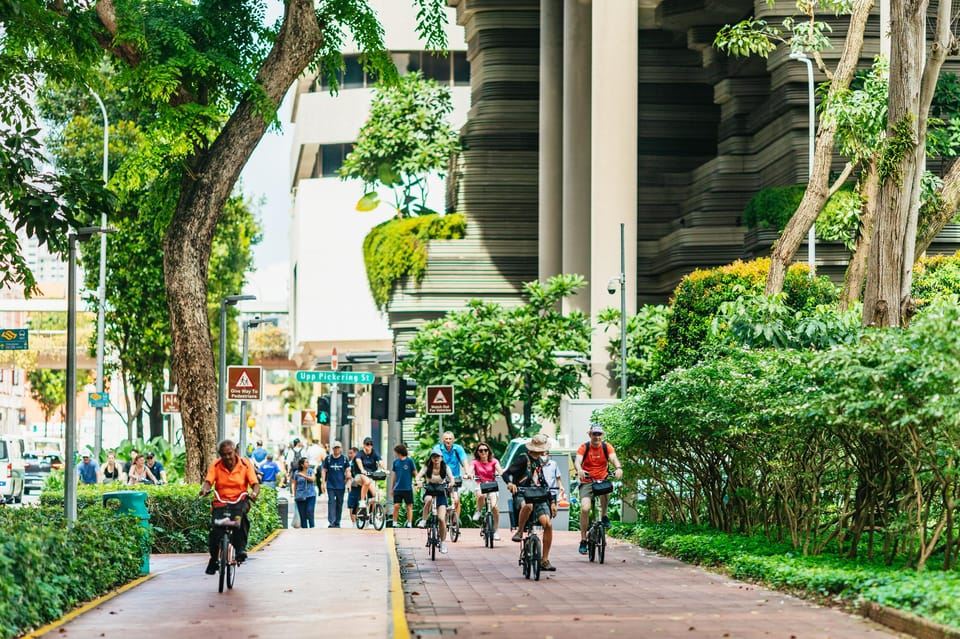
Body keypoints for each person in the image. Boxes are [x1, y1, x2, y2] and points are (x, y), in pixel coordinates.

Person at [199, 439, 260, 575]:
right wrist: (205, 489)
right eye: (223, 455)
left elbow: (254, 483)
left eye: (229, 454)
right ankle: (214, 559)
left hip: (240, 500)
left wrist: (254, 493)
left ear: (235, 452)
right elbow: (208, 481)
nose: (227, 457)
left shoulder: (245, 464)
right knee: (215, 530)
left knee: (240, 521)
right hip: (221, 502)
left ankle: (240, 550)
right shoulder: (216, 465)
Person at [503, 433, 556, 572]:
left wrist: (552, 502)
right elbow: (506, 473)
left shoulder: (539, 462)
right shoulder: (523, 459)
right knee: (528, 505)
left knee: (548, 524)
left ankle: (544, 560)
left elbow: (543, 483)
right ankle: (520, 531)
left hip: (539, 495)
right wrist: (510, 483)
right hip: (523, 494)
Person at [575, 423, 623, 555]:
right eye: (594, 434)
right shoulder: (584, 447)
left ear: (602, 435)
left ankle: (604, 516)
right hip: (587, 481)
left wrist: (618, 468)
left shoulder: (606, 447)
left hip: (602, 479)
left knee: (606, 489)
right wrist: (579, 470)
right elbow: (578, 460)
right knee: (585, 508)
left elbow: (613, 458)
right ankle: (583, 540)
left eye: (599, 434)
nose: (597, 437)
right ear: (589, 434)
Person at [416, 452, 454, 554]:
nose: (436, 458)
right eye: (434, 456)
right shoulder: (427, 467)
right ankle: (423, 520)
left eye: (438, 456)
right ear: (431, 458)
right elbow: (418, 476)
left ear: (441, 458)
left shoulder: (445, 467)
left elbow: (452, 478)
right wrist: (418, 482)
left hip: (441, 494)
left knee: (441, 519)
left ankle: (442, 542)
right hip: (429, 491)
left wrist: (451, 483)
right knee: (428, 500)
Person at [431, 431, 471, 521]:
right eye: (446, 439)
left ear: (453, 440)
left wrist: (467, 472)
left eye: (450, 439)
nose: (448, 441)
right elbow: (433, 460)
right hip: (441, 478)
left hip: (454, 478)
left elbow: (464, 461)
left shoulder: (458, 449)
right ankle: (442, 519)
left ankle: (454, 523)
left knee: (456, 500)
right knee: (442, 502)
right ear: (443, 440)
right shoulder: (438, 448)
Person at [470, 442, 503, 541]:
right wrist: (469, 474)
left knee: (494, 507)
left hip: (492, 485)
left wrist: (501, 473)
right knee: (481, 496)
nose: (483, 452)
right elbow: (470, 470)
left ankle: (496, 530)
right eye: (481, 450)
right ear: (478, 452)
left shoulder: (494, 461)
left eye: (485, 450)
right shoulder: (475, 462)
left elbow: (500, 470)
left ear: (489, 451)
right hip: (480, 485)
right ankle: (478, 511)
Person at [321, 441, 351, 528]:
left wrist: (348, 480)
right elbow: (324, 470)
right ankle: (331, 522)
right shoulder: (328, 459)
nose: (337, 449)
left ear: (340, 449)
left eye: (338, 448)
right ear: (332, 449)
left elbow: (348, 470)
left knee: (339, 503)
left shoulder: (344, 459)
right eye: (335, 448)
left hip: (341, 485)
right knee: (331, 502)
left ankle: (337, 522)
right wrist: (323, 482)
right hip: (330, 485)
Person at [353, 437, 385, 513]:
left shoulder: (374, 453)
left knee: (375, 496)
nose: (369, 446)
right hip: (360, 476)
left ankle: (371, 515)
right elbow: (358, 461)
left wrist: (384, 469)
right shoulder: (360, 453)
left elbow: (380, 461)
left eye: (371, 444)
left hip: (370, 476)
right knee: (366, 481)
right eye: (367, 444)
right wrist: (362, 470)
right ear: (364, 445)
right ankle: (362, 501)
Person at [391, 444, 417, 528]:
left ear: (399, 452)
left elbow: (414, 472)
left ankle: (409, 524)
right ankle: (394, 523)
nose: (395, 454)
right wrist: (392, 488)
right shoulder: (395, 462)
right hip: (398, 488)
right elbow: (394, 476)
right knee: (396, 506)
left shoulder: (409, 461)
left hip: (407, 488)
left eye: (396, 452)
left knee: (409, 506)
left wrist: (417, 482)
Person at [541, 448, 566, 520]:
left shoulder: (553, 464)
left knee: (552, 512)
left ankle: (547, 525)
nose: (543, 456)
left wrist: (561, 486)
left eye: (545, 454)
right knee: (543, 511)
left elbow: (558, 477)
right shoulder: (537, 464)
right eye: (542, 454)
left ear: (548, 455)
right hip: (541, 491)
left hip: (552, 492)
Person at [292, 457, 317, 528]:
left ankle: (312, 527)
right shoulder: (296, 473)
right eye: (306, 462)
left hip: (311, 495)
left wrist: (303, 476)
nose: (308, 463)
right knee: (302, 515)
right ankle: (304, 530)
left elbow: (313, 479)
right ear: (302, 464)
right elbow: (295, 484)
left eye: (308, 462)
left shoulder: (310, 471)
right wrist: (295, 495)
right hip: (300, 496)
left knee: (310, 511)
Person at [346, 447, 362, 527]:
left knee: (360, 505)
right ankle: (354, 523)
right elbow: (348, 475)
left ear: (356, 453)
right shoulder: (349, 463)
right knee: (351, 505)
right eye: (349, 453)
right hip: (353, 487)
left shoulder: (360, 462)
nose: (350, 455)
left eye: (351, 453)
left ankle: (361, 521)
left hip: (361, 487)